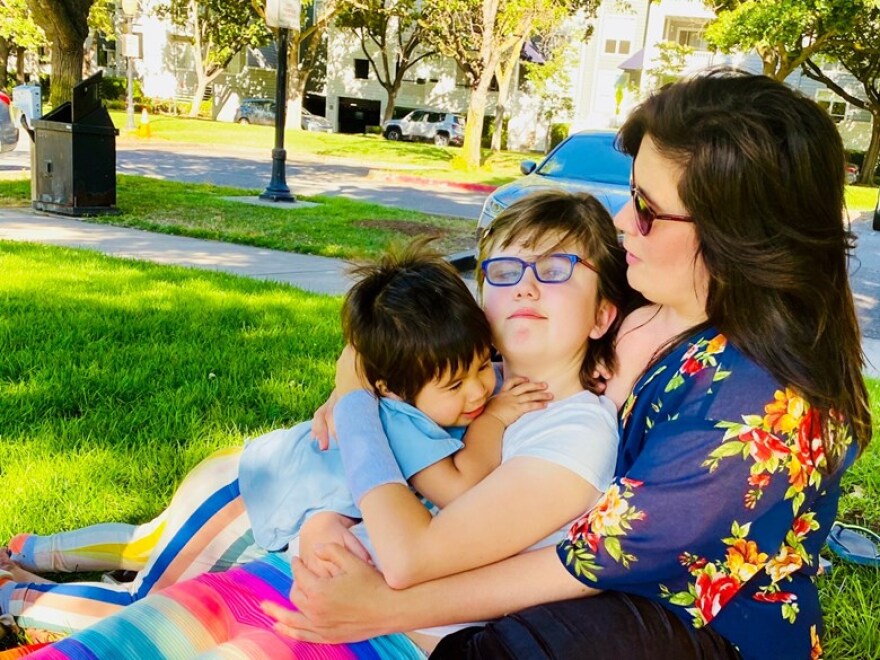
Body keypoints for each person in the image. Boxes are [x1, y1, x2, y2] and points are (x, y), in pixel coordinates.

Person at [266, 70, 873, 660]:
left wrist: (385, 607)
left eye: (646, 206)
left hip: (690, 623)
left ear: (737, 234)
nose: (619, 221)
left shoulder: (763, 408)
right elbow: (455, 351)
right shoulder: (644, 295)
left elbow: (587, 562)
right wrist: (365, 378)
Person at [24, 189, 632, 658]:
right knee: (112, 646)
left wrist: (355, 403)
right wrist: (322, 516)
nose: (525, 284)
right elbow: (361, 377)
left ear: (604, 313)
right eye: (505, 269)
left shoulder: (576, 433)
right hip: (293, 574)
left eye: (555, 268)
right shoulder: (476, 376)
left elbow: (411, 555)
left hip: (380, 632)